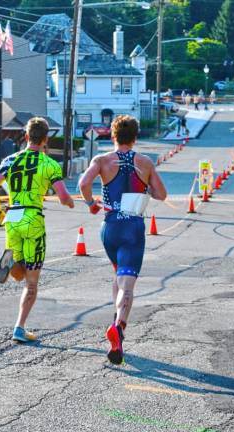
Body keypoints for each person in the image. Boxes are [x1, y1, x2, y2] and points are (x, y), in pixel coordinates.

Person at [79, 115, 167, 365]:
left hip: (110, 227)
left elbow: (84, 183)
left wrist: (90, 204)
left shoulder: (102, 160)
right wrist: (147, 188)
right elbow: (162, 194)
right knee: (127, 283)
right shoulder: (145, 162)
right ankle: (119, 326)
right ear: (135, 137)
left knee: (118, 274)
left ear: (113, 136)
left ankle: (117, 316)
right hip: (133, 227)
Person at [0, 117, 74, 343]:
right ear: (45, 140)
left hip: (12, 217)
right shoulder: (49, 165)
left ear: (25, 137)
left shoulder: (10, 160)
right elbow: (63, 196)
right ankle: (19, 327)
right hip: (33, 218)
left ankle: (11, 262)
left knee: (19, 273)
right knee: (32, 282)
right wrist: (69, 202)